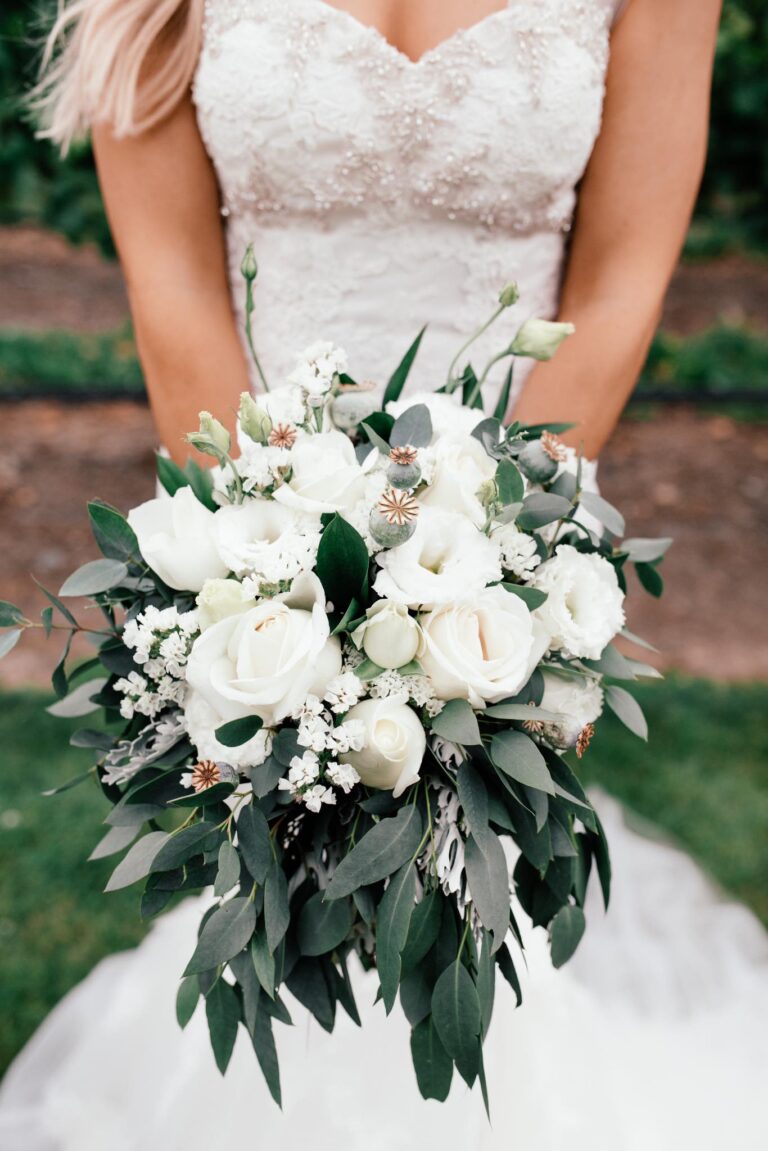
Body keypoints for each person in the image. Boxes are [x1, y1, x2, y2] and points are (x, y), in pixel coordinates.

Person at [1, 2, 766, 1148]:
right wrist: (279, 574)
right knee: (302, 892)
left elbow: (618, 283)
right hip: (263, 526)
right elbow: (175, 295)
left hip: (507, 532)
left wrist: (491, 563)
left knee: (470, 896)